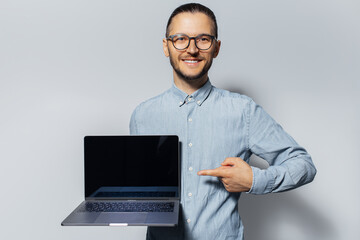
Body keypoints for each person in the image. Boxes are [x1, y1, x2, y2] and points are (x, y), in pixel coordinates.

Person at [130, 3, 316, 240]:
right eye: (180, 39)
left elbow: (303, 164)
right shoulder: (142, 115)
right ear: (166, 47)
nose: (192, 49)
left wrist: (254, 180)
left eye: (203, 39)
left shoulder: (243, 111)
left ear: (216, 48)